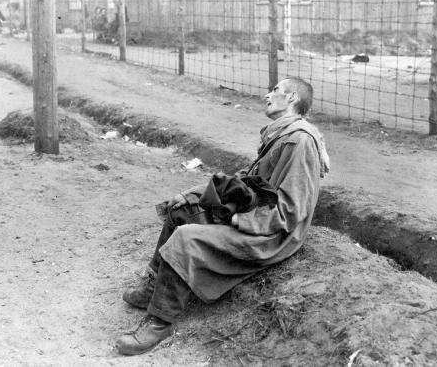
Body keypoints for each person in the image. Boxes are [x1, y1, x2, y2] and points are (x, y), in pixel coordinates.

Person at [115, 76, 330, 356]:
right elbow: (247, 182)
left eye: (275, 90)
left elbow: (291, 211)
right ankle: (154, 285)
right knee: (181, 211)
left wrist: (236, 220)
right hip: (259, 217)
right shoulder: (281, 134)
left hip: (273, 235)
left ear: (291, 99)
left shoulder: (299, 142)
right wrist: (196, 192)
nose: (267, 94)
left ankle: (160, 321)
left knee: (186, 238)